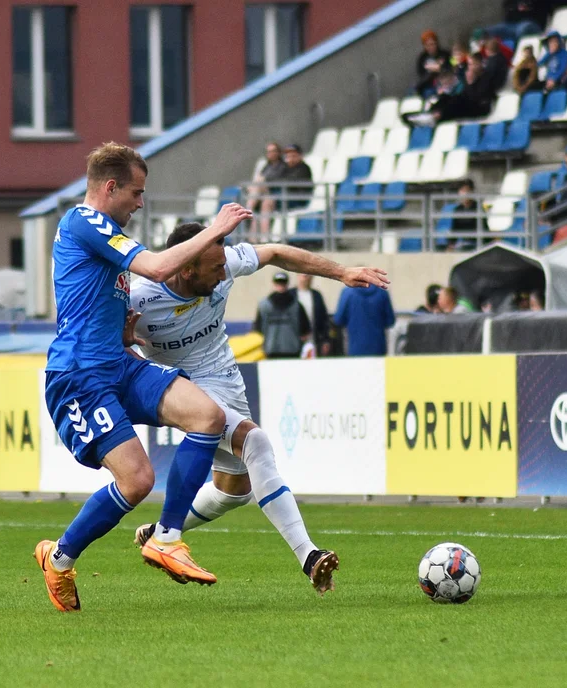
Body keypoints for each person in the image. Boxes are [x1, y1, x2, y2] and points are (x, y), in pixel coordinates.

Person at [34, 141, 253, 613]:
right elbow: (157, 265)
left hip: (118, 362)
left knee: (208, 416)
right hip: (80, 373)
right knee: (136, 482)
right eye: (135, 193)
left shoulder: (104, 236)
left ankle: (168, 537)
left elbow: (98, 297)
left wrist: (124, 330)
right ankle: (60, 559)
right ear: (109, 187)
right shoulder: (84, 221)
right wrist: (216, 229)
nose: (139, 202)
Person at [128, 222, 388, 594]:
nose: (224, 273)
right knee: (256, 442)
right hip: (183, 390)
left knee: (233, 490)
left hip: (227, 382)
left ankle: (161, 531)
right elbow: (103, 340)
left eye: (224, 264)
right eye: (215, 269)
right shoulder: (140, 299)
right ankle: (309, 556)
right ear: (185, 268)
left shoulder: (222, 262)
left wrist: (342, 272)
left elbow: (276, 252)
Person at [252, 272, 312, 358]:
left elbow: (305, 331)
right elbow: (258, 330)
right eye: (278, 283)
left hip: (292, 351)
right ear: (273, 284)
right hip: (271, 351)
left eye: (283, 283)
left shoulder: (296, 306)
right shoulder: (264, 305)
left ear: (287, 284)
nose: (280, 286)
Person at [245, 142, 294, 241]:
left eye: (273, 151)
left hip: (274, 192)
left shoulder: (283, 166)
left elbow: (280, 181)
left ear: (278, 152)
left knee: (258, 182)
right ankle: (254, 239)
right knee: (260, 206)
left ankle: (249, 206)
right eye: (269, 151)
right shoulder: (266, 166)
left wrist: (263, 182)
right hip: (263, 196)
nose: (271, 153)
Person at [332, 284, 396, 356]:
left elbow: (338, 320)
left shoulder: (347, 293)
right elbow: (390, 321)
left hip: (355, 348)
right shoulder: (382, 293)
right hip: (378, 348)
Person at [292, 273, 332, 357]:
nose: (305, 277)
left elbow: (323, 319)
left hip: (314, 340)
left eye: (308, 275)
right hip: (295, 342)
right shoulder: (291, 295)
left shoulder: (316, 295)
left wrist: (325, 340)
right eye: (302, 274)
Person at [416, 30, 452, 97]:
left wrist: (439, 68)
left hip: (446, 81)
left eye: (433, 44)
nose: (431, 47)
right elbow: (421, 74)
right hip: (430, 85)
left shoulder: (444, 54)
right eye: (428, 45)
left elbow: (450, 67)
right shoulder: (422, 58)